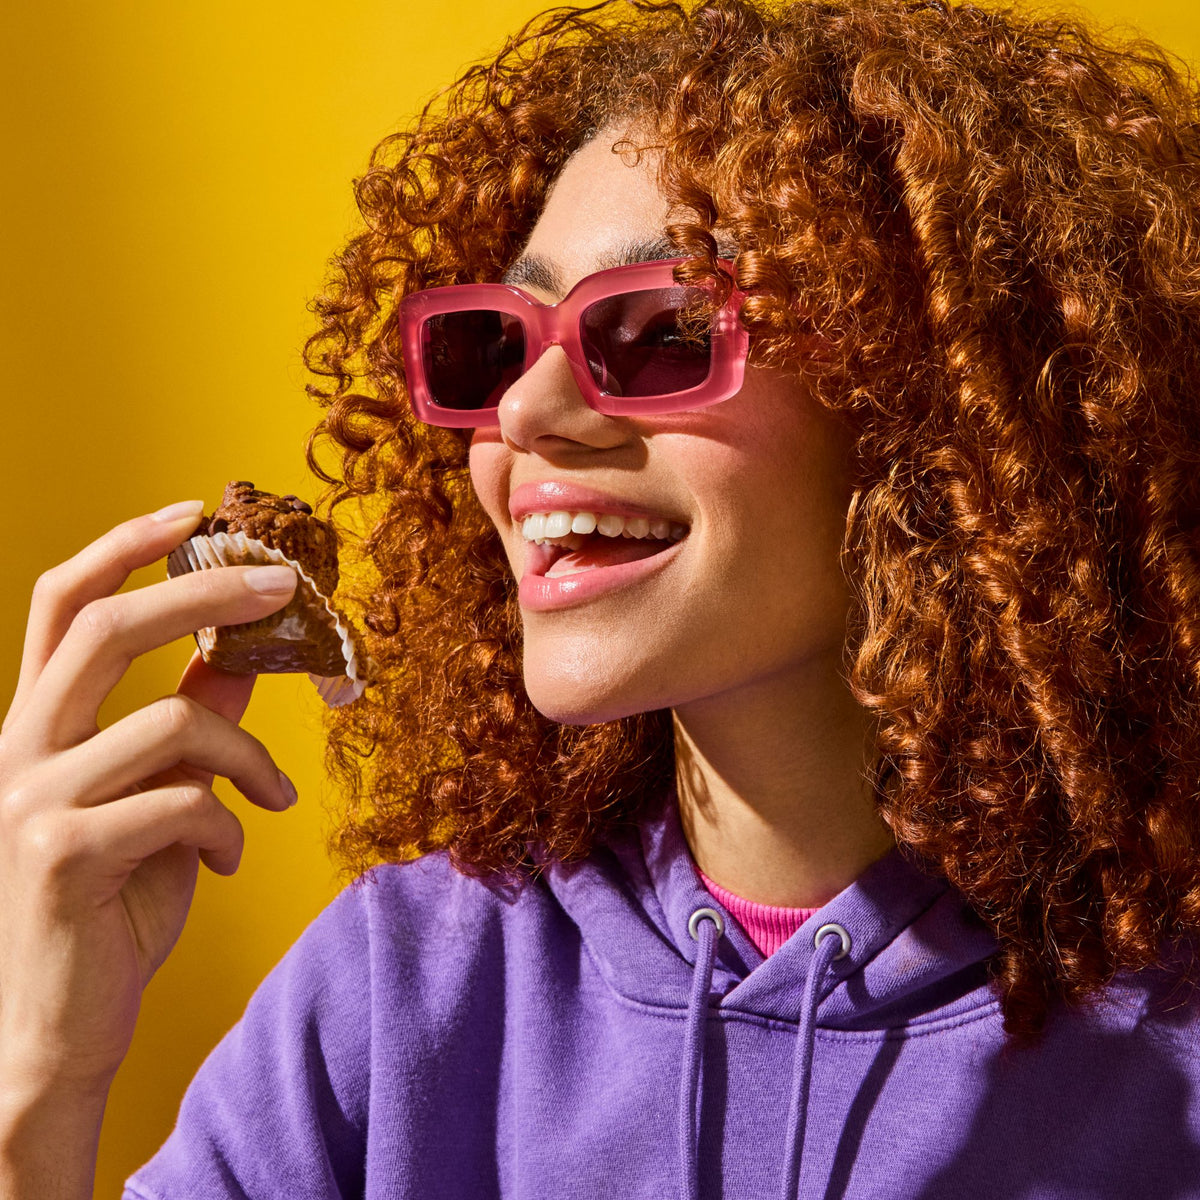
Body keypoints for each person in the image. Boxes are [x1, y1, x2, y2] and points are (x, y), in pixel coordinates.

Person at [3, 0, 1200, 1195]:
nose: (524, 412)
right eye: (495, 345)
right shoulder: (407, 991)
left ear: (929, 406)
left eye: (662, 330)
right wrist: (38, 1091)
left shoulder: (1170, 1050)